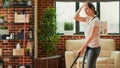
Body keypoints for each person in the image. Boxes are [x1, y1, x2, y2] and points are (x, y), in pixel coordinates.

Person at [74, 1, 101, 68]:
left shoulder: (96, 20)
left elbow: (91, 36)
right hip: (89, 47)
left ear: (92, 8)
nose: (85, 11)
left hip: (94, 48)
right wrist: (81, 7)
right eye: (84, 10)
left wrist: (83, 48)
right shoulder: (88, 19)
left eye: (86, 9)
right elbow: (75, 17)